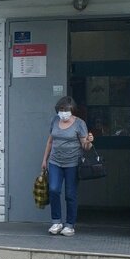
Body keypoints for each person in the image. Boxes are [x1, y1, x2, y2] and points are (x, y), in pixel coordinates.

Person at [40, 96, 94, 237]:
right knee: (53, 190)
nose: (63, 113)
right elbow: (50, 141)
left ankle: (70, 225)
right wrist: (44, 159)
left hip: (73, 164)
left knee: (70, 194)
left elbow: (85, 146)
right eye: (61, 109)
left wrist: (89, 141)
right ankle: (56, 222)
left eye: (66, 110)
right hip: (55, 162)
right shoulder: (55, 120)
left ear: (72, 110)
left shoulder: (79, 123)